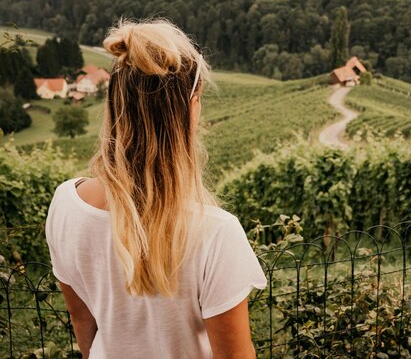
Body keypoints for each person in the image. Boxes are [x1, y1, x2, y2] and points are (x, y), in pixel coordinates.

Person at [45, 19, 267, 359]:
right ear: (190, 108)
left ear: (116, 103)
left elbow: (82, 322)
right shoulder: (216, 234)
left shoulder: (66, 204)